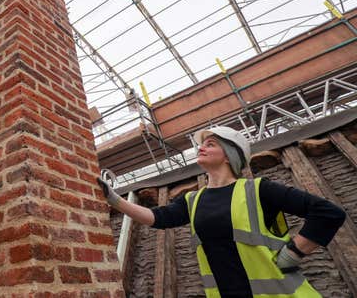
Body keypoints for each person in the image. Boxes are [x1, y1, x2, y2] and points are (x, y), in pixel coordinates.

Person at [97, 126, 346, 298]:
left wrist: (293, 252)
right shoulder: (193, 200)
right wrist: (115, 199)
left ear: (229, 156)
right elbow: (158, 218)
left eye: (211, 144)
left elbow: (328, 213)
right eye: (201, 145)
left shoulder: (258, 190)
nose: (201, 148)